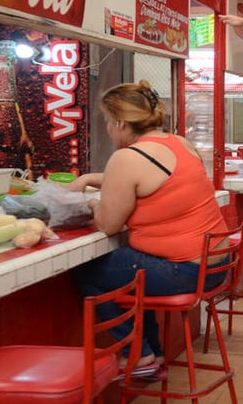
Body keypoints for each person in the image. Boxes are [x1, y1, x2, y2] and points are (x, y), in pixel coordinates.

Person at [69, 80, 230, 378]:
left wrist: (92, 206)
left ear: (119, 122)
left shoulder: (127, 157)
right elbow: (149, 178)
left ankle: (139, 355)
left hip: (184, 271)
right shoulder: (178, 142)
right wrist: (93, 178)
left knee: (88, 271)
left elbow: (108, 224)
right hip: (216, 266)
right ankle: (151, 353)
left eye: (107, 121)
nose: (108, 128)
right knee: (134, 269)